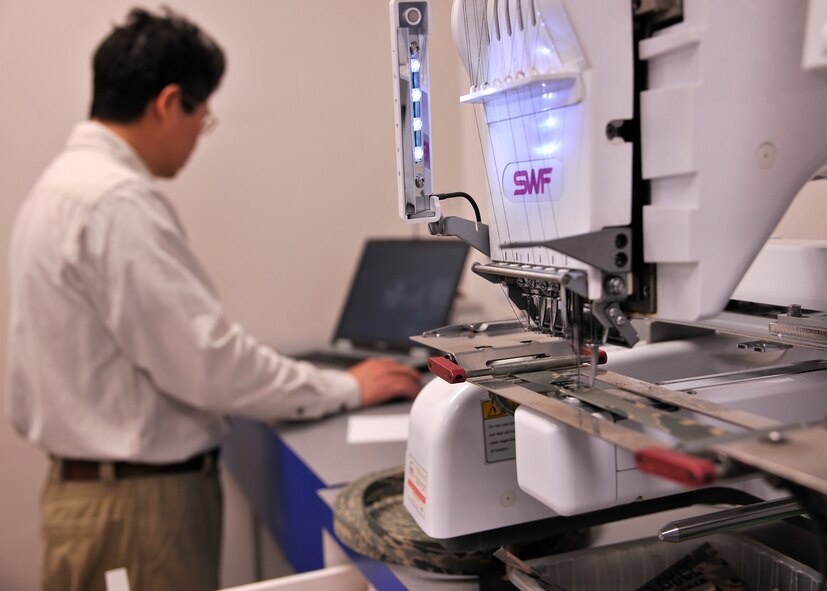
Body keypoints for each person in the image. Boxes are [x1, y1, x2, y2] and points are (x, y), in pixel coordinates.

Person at [5, 7, 421, 591]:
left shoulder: (59, 189)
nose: (199, 135)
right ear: (169, 101)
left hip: (93, 496)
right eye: (203, 116)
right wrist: (348, 387)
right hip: (137, 513)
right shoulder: (115, 203)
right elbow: (208, 364)